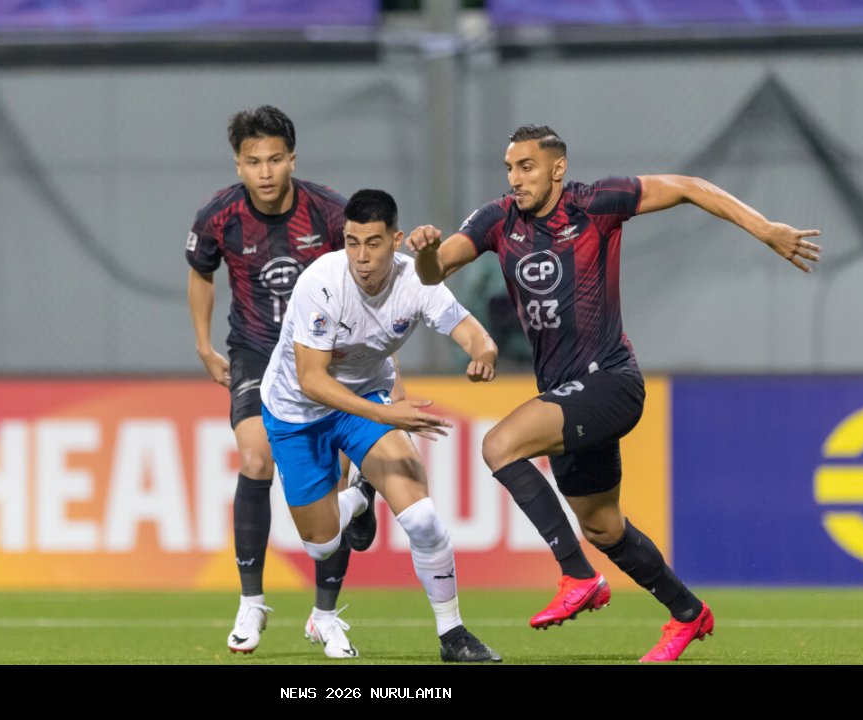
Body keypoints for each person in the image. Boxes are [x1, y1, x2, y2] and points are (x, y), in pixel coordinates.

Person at [406, 124, 821, 662]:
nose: (515, 179)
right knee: (603, 526)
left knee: (498, 446)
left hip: (611, 382)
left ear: (557, 167)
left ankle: (576, 575)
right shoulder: (496, 220)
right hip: (565, 394)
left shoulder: (596, 203)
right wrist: (425, 250)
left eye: (526, 166)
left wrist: (764, 229)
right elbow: (435, 271)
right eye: (510, 168)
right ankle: (688, 614)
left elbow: (690, 185)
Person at [260, 189, 503, 662]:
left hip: (364, 402)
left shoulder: (417, 281)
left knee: (424, 520)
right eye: (352, 242)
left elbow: (474, 334)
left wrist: (484, 356)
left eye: (373, 243)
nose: (362, 257)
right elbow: (312, 380)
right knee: (322, 545)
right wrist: (389, 414)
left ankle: (453, 637)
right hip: (297, 411)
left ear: (396, 241)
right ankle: (358, 496)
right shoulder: (321, 283)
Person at [186, 105, 379, 657]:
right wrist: (202, 344)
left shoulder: (331, 213)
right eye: (253, 162)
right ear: (238, 165)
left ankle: (325, 614)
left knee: (330, 483)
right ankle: (251, 602)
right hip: (254, 351)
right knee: (254, 459)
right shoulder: (218, 216)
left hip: (322, 356)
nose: (265, 172)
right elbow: (201, 272)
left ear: (292, 158)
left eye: (275, 159)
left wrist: (378, 360)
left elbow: (370, 275)